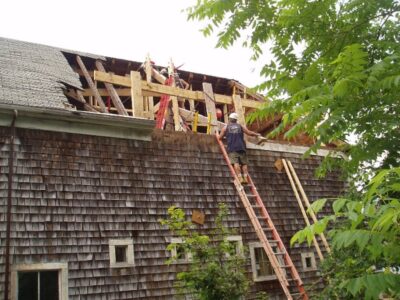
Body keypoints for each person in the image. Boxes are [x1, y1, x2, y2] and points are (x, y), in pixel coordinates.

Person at [217, 112, 261, 184]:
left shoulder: (226, 127)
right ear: (236, 120)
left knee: (236, 163)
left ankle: (240, 178)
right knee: (244, 164)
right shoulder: (240, 126)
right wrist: (256, 134)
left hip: (232, 148)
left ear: (230, 119)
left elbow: (219, 137)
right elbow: (249, 132)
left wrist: (225, 136)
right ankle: (245, 178)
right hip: (242, 147)